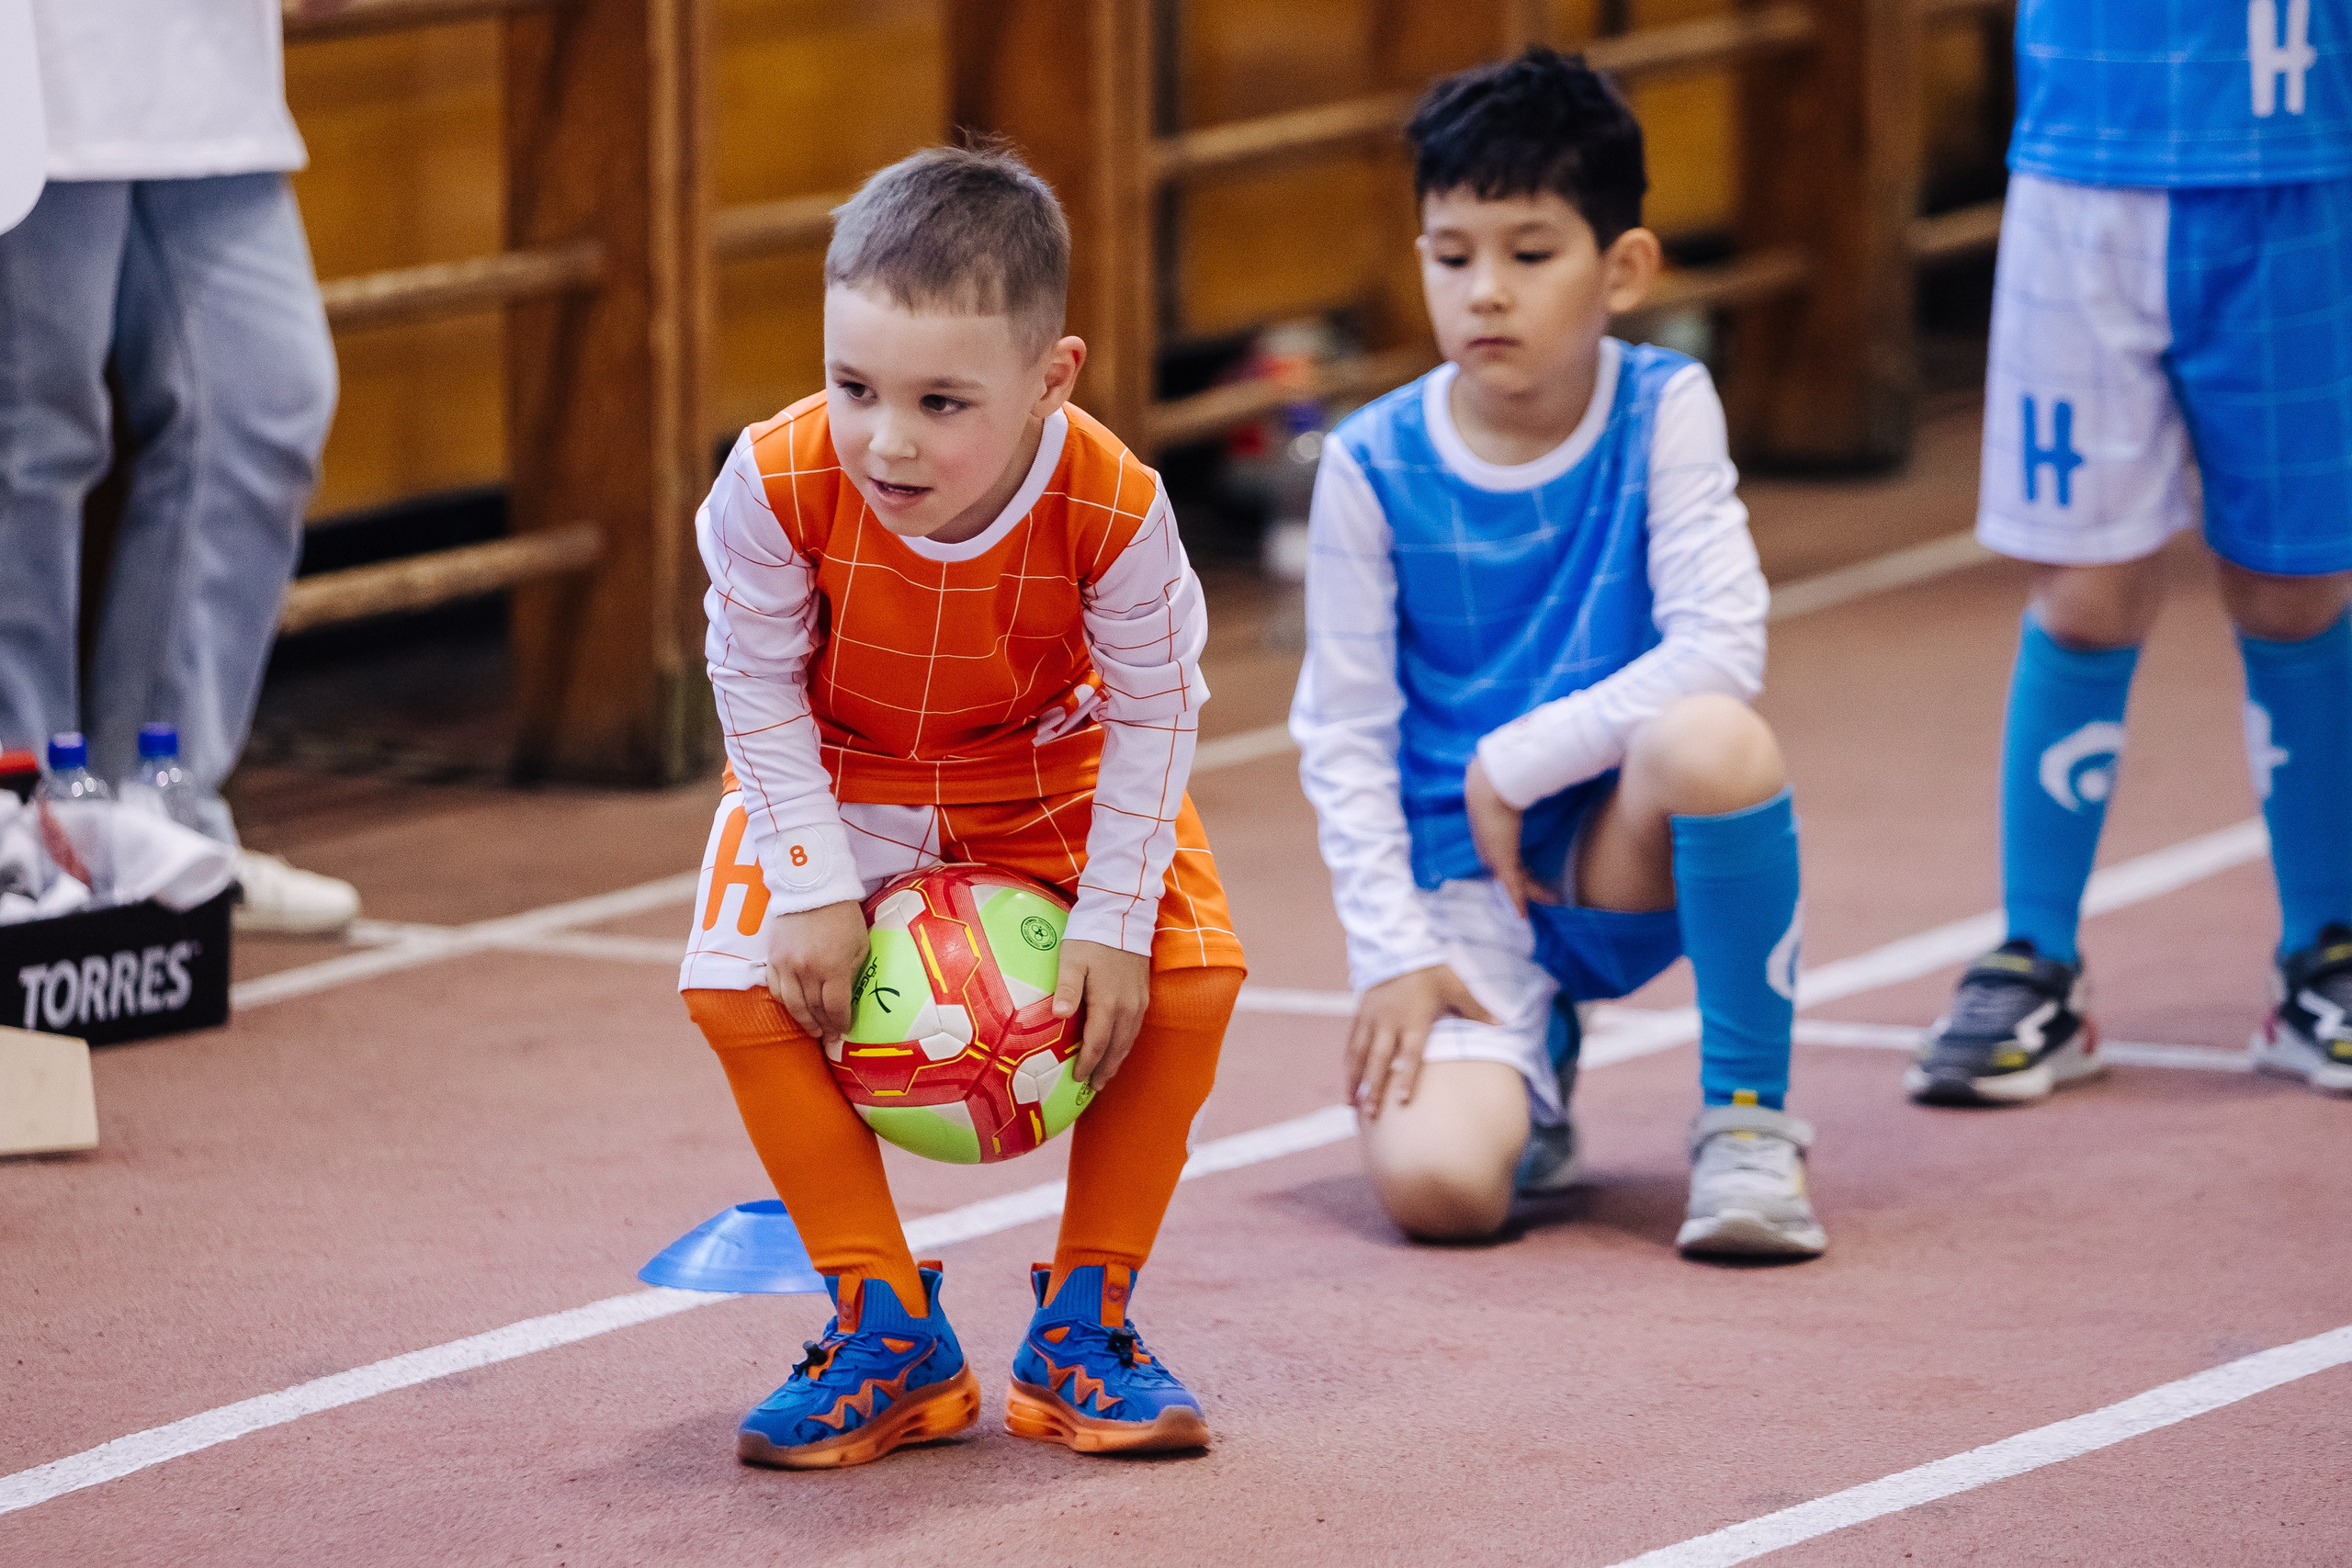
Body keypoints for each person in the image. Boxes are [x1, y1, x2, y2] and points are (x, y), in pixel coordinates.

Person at [679, 145, 1247, 1469]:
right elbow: (751, 679)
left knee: (1193, 977)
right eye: (854, 384)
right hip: (841, 760)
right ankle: (887, 1329)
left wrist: (1113, 917)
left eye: (943, 401)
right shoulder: (770, 483)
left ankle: (1084, 1325)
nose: (888, 438)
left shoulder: (1118, 505)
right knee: (734, 988)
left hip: (1046, 764)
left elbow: (1160, 706)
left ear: (1055, 377)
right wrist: (815, 881)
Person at [1290, 50, 1823, 1259]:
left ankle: (1747, 1120)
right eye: (1451, 254)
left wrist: (1518, 760)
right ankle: (1537, 1057)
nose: (1485, 291)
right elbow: (1345, 731)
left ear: (1622, 268)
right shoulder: (1371, 464)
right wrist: (1396, 953)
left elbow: (1723, 644)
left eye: (1530, 255)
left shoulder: (1665, 403)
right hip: (1463, 883)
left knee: (1720, 744)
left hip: (1609, 846)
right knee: (1443, 1194)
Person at [1909, 2, 2352, 1104]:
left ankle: (2323, 951)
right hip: (2083, 173)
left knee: (2295, 585)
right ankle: (2035, 956)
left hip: (2299, 170)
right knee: (2084, 589)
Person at [0, 0, 361, 934]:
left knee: (261, 399)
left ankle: (154, 813)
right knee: (31, 436)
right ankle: (18, 823)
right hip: (31, 62)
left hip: (199, 63)